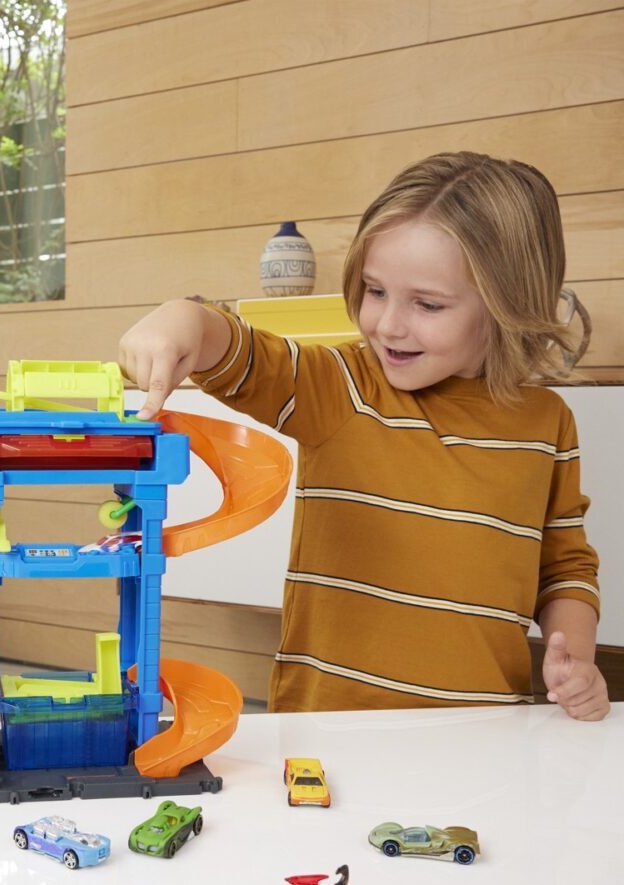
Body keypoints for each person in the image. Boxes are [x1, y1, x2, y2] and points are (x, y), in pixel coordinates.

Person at [118, 151, 609, 721]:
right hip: (329, 732)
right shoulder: (342, 386)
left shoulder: (547, 423)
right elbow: (245, 356)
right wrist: (183, 318)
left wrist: (575, 662)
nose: (388, 325)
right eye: (376, 291)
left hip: (486, 730)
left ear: (509, 303)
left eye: (427, 304)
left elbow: (565, 568)